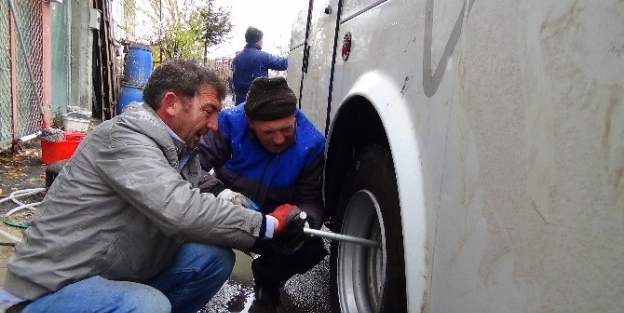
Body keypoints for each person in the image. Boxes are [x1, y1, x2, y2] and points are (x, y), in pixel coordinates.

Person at [0, 59, 306, 313]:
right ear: (171, 104)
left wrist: (242, 210)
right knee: (148, 305)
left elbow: (196, 202)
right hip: (45, 294)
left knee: (212, 258)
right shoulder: (124, 138)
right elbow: (180, 210)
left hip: (99, 278)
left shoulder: (178, 153)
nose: (214, 125)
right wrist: (266, 225)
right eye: (209, 110)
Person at [198, 77, 328, 307]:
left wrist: (302, 221)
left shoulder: (313, 144)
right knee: (183, 227)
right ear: (249, 122)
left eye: (286, 129)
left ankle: (267, 279)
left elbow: (312, 201)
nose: (278, 139)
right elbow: (191, 168)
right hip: (225, 212)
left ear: (294, 118)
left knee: (311, 249)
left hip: (270, 222)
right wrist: (221, 193)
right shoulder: (228, 123)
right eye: (268, 132)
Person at [232, 26, 288, 105]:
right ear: (258, 41)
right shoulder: (262, 57)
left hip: (240, 103)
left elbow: (233, 81)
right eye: (262, 39)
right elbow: (283, 64)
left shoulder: (236, 59)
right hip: (258, 104)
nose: (262, 42)